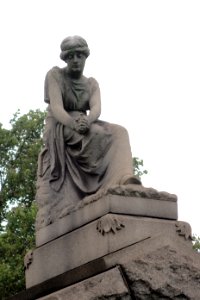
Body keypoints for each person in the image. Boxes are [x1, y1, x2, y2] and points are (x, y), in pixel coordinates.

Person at [36, 36, 140, 229]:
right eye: (71, 56)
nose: (76, 60)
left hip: (85, 122)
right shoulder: (55, 76)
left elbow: (96, 108)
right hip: (61, 124)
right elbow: (57, 108)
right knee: (97, 135)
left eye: (79, 55)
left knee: (119, 132)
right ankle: (95, 184)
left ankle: (123, 178)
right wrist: (74, 124)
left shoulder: (91, 83)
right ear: (65, 59)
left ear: (86, 57)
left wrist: (88, 121)